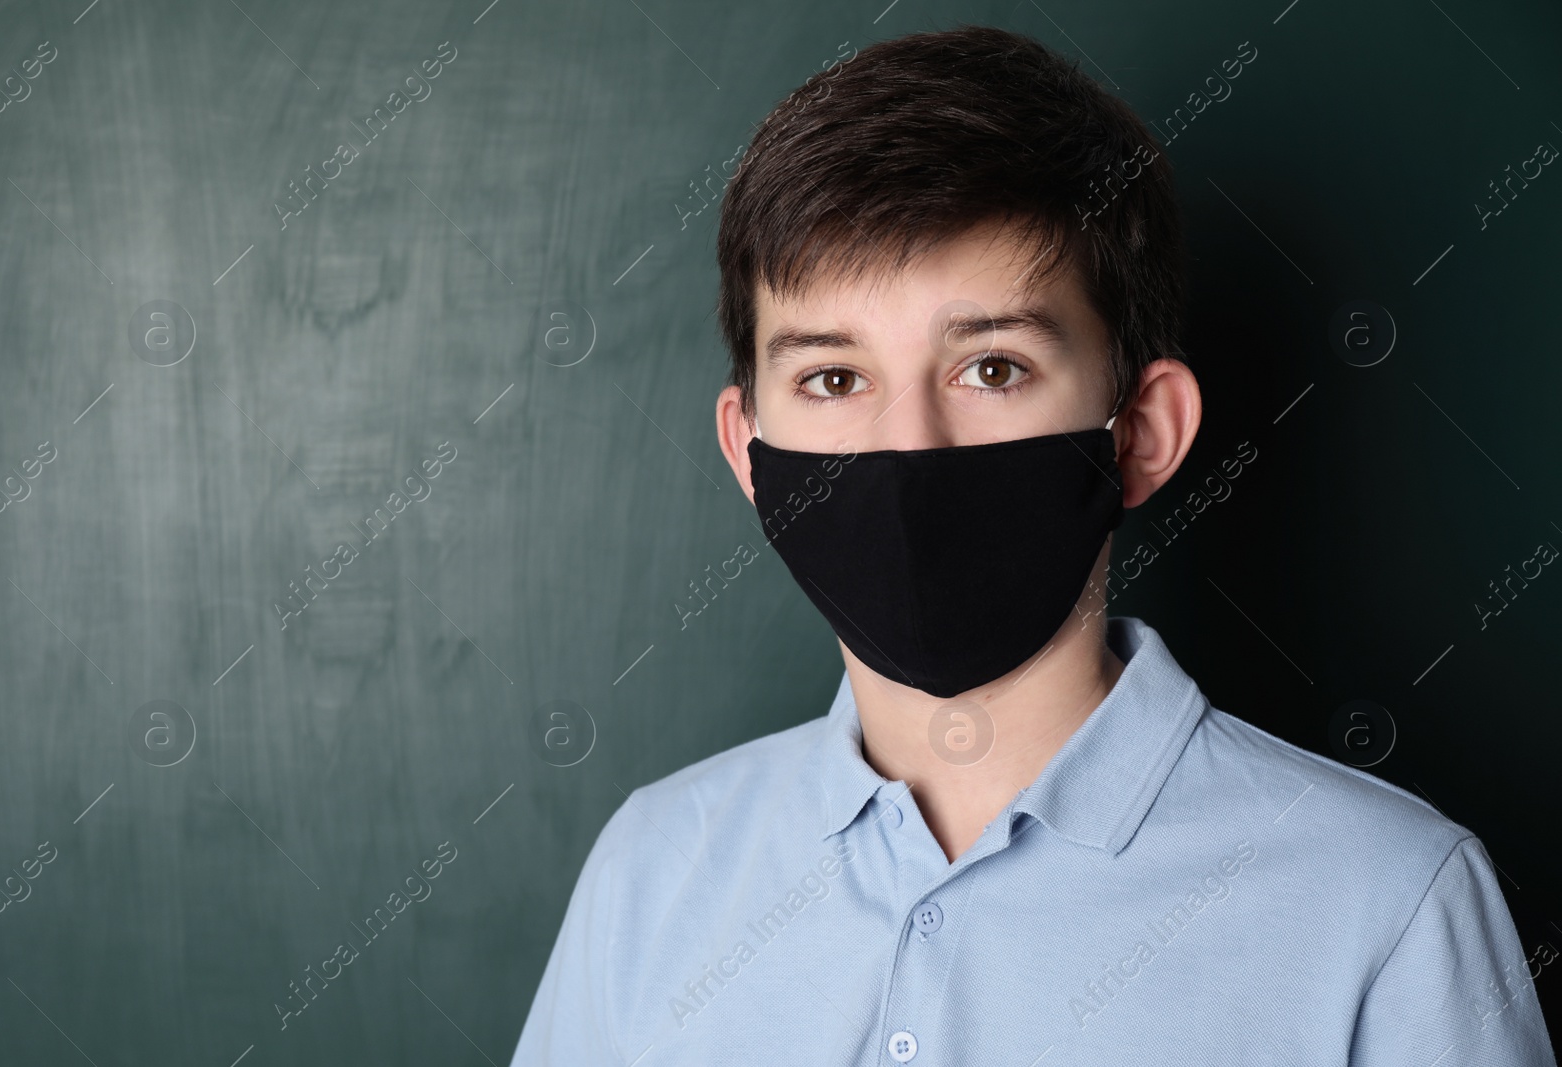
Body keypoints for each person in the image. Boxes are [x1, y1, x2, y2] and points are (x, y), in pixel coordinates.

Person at [510, 24, 1557, 1066]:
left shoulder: (1383, 902)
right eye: (833, 378)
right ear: (749, 449)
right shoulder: (650, 871)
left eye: (993, 368)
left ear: (1143, 431)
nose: (909, 445)